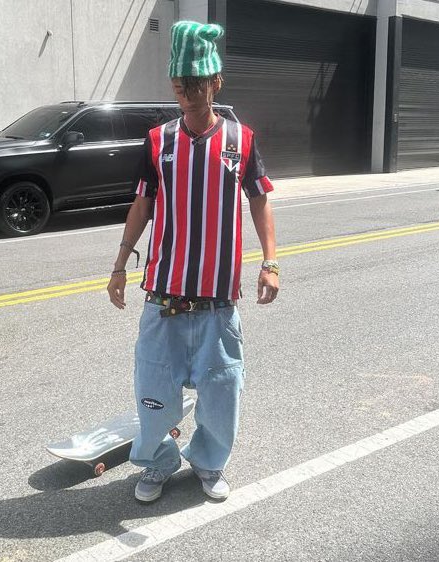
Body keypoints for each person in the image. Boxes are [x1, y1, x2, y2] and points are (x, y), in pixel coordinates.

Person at [107, 21, 279, 503]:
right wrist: (120, 265)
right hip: (163, 297)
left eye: (197, 84)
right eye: (180, 85)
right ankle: (157, 462)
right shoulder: (158, 141)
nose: (187, 93)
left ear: (216, 82)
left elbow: (260, 200)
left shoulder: (241, 141)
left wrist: (271, 261)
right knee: (154, 395)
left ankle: (208, 463)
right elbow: (142, 202)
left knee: (222, 396)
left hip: (218, 304)